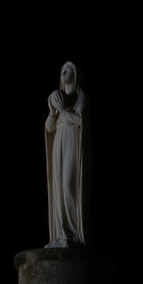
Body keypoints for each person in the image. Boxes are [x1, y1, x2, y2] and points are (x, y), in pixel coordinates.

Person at [45, 61, 88, 246]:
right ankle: (61, 233)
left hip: (71, 138)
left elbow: (81, 121)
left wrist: (63, 109)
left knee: (68, 183)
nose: (64, 72)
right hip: (59, 140)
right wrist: (53, 112)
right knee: (58, 185)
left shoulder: (80, 96)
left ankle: (72, 232)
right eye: (62, 69)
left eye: (68, 69)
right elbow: (49, 128)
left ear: (76, 74)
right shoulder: (58, 97)